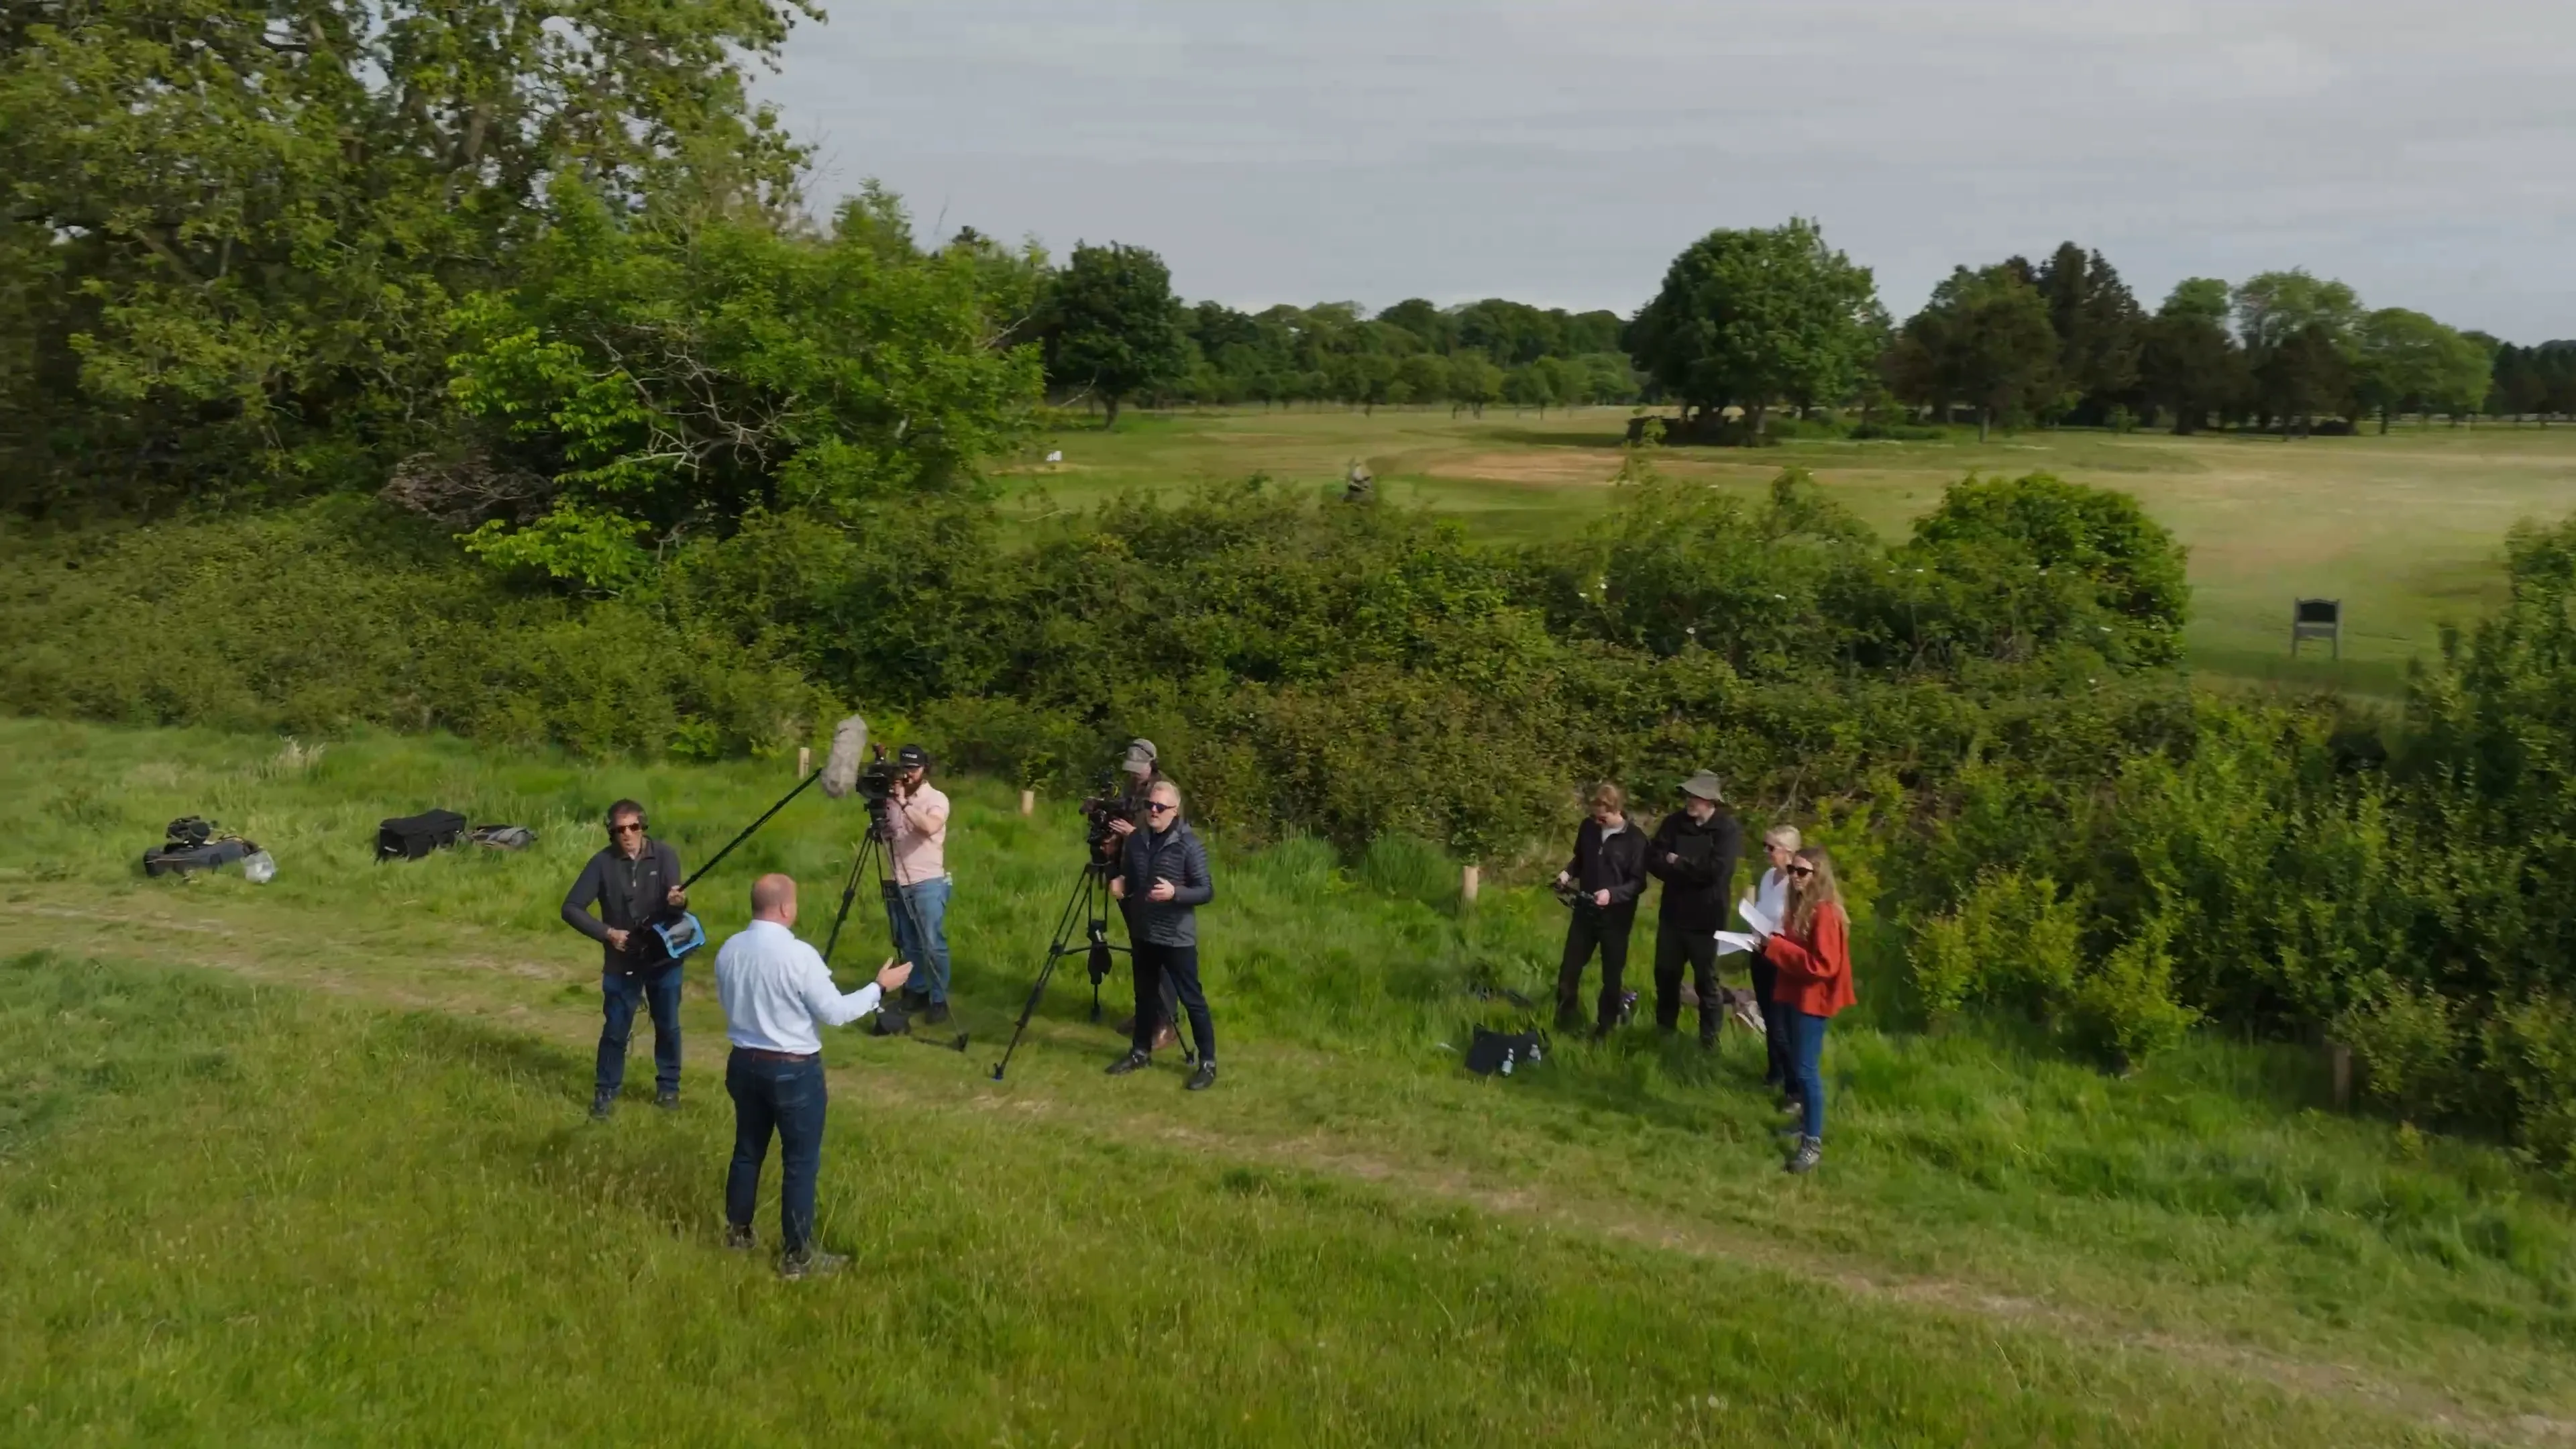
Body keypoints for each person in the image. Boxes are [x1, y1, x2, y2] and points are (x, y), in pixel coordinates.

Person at [714, 873, 914, 1278]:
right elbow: (836, 1012)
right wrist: (879, 986)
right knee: (800, 1162)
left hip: (744, 1061)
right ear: (787, 908)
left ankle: (738, 1234)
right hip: (791, 1069)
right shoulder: (799, 955)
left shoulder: (729, 949)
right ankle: (797, 1255)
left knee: (747, 1150)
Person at [561, 799, 688, 1119]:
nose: (628, 834)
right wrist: (608, 934)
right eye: (619, 830)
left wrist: (678, 902)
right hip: (622, 960)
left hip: (663, 957)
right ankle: (605, 1093)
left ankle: (669, 1088)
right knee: (616, 1029)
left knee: (668, 1026)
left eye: (634, 827)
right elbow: (571, 908)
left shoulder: (665, 855)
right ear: (611, 833)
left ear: (643, 827)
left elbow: (676, 910)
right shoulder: (601, 864)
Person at [1105, 779, 1218, 1090]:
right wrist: (1118, 880)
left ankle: (1208, 1063)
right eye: (1150, 806)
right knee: (1144, 996)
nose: (1153, 811)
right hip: (1144, 931)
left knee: (1191, 999)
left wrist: (1175, 893)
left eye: (1160, 808)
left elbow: (1206, 891)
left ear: (1174, 811)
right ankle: (1140, 1052)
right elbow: (1128, 870)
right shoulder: (1139, 840)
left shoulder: (1189, 845)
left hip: (1176, 936)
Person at [1758, 847, 1857, 1175]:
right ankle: (1804, 1126)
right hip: (1796, 992)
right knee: (1798, 1064)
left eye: (1802, 872)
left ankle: (1812, 1142)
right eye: (1792, 870)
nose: (1795, 877)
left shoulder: (1826, 912)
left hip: (1812, 1000)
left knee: (1805, 1071)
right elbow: (1799, 948)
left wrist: (1776, 947)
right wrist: (1772, 941)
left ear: (1818, 875)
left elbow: (1823, 966)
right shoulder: (1802, 906)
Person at [1645, 771, 1743, 1046]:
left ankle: (1709, 1042)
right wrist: (1681, 867)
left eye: (1696, 797)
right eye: (1688, 795)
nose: (1690, 801)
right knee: (1666, 975)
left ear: (1710, 800)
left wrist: (1679, 864)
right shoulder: (1673, 823)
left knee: (1706, 982)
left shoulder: (1726, 829)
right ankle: (1664, 1032)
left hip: (1706, 918)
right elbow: (1654, 859)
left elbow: (1717, 871)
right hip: (1673, 914)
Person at [1103, 739, 1181, 1052]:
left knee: (1160, 952)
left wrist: (1131, 834)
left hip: (1157, 877)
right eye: (1131, 770)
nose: (1134, 775)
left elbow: (1170, 836)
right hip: (1131, 875)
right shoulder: (1131, 789)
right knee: (1141, 951)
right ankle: (1146, 1014)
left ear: (1152, 764)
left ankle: (1168, 1021)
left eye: (1139, 770)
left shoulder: (1165, 793)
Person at [1555, 783, 1650, 1038]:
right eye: (1594, 815)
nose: (1598, 821)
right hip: (1585, 911)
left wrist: (1613, 895)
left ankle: (1604, 1028)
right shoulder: (1588, 828)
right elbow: (1580, 859)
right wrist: (1568, 873)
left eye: (1603, 816)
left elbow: (1639, 883)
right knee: (1569, 968)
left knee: (1611, 975)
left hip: (1616, 918)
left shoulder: (1636, 840)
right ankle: (1565, 1019)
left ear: (1616, 809)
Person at [885, 744, 954, 1024]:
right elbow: (891, 831)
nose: (908, 773)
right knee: (909, 942)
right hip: (898, 879)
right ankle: (916, 990)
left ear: (924, 769)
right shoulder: (892, 798)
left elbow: (929, 827)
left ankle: (940, 999)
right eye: (905, 768)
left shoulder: (936, 799)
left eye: (913, 768)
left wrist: (904, 804)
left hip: (928, 881)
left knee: (932, 943)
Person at [1744, 825, 1803, 1102]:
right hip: (1761, 952)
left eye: (1772, 848)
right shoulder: (1769, 876)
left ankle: (1795, 1089)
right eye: (1766, 846)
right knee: (1768, 1016)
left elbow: (1795, 925)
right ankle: (1774, 1072)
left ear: (1790, 853)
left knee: (1781, 1026)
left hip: (1781, 957)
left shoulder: (1797, 883)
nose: (1767, 853)